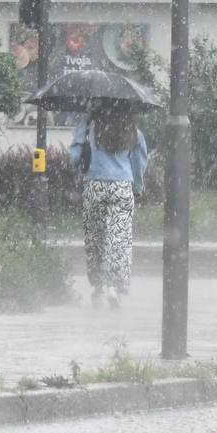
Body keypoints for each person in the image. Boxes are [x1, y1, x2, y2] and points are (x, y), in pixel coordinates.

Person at [70, 108, 148, 308]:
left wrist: (83, 131)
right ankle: (115, 287)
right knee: (119, 239)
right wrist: (137, 187)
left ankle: (98, 287)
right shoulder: (133, 132)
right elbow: (139, 163)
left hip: (95, 185)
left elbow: (74, 158)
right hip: (122, 187)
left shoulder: (89, 127)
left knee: (95, 239)